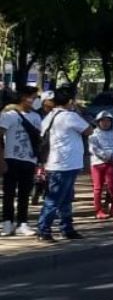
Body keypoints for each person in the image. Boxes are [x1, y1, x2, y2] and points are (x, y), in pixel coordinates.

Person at [35, 88, 93, 242]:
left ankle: (67, 228)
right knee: (55, 199)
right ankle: (43, 229)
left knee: (65, 199)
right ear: (69, 101)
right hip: (65, 163)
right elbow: (89, 130)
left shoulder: (50, 115)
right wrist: (78, 111)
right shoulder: (70, 116)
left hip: (57, 162)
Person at [0, 86, 42, 236]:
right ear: (25, 97)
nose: (36, 100)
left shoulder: (36, 117)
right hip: (11, 158)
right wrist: (2, 159)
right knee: (9, 193)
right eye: (34, 97)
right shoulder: (9, 115)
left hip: (29, 159)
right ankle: (7, 222)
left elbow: (38, 139)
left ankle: (22, 223)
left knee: (25, 193)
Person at [88, 111, 113, 219]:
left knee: (112, 186)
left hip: (111, 163)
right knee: (98, 188)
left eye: (108, 121)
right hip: (97, 164)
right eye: (103, 121)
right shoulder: (93, 134)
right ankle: (98, 210)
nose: (105, 123)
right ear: (98, 122)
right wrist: (105, 156)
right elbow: (93, 148)